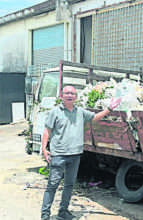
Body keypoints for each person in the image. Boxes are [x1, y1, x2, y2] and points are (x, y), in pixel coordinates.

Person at [40, 86, 121, 220]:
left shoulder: (80, 112)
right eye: (67, 93)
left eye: (72, 93)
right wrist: (44, 149)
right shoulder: (55, 112)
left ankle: (63, 211)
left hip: (75, 155)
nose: (69, 95)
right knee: (52, 185)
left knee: (69, 185)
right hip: (58, 155)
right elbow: (47, 130)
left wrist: (109, 109)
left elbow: (94, 117)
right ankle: (45, 215)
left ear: (76, 97)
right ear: (62, 96)